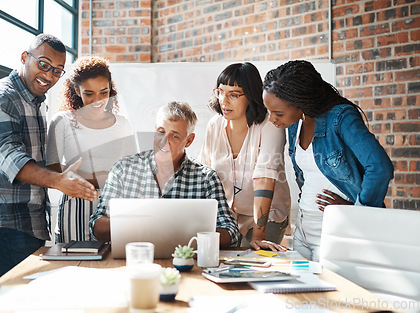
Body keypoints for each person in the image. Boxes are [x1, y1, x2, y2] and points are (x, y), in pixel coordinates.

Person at [0, 34, 97, 276]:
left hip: (31, 218)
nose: (49, 76)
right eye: (44, 65)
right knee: (25, 294)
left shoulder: (36, 102)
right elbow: (8, 156)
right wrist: (59, 181)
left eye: (57, 71)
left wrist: (66, 173)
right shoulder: (1, 98)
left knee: (34, 292)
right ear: (24, 57)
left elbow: (36, 162)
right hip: (5, 219)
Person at [262, 60, 394, 261]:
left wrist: (359, 210)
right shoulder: (294, 123)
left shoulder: (340, 117)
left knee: (330, 290)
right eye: (269, 111)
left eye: (278, 113)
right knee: (299, 289)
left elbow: (379, 167)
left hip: (335, 229)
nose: (272, 119)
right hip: (302, 228)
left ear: (301, 101)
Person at [89, 101, 240, 248]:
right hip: (133, 261)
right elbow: (96, 227)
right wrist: (131, 220)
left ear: (189, 140)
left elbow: (232, 233)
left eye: (174, 136)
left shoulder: (206, 178)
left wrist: (187, 234)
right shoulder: (123, 169)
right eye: (161, 132)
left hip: (187, 264)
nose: (164, 142)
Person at [199, 62, 290, 252]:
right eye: (220, 92)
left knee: (254, 264)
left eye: (233, 95)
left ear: (250, 95)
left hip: (267, 216)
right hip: (227, 217)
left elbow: (264, 179)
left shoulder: (269, 125)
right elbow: (204, 173)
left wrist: (258, 235)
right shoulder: (214, 125)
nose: (224, 101)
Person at [46, 56, 136, 243]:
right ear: (76, 90)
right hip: (75, 206)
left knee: (113, 266)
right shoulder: (62, 122)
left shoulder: (122, 124)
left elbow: (133, 170)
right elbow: (52, 171)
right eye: (89, 94)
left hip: (114, 207)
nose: (98, 100)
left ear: (111, 88)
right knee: (74, 266)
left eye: (104, 92)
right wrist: (97, 178)